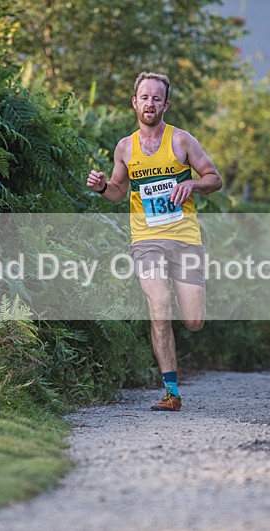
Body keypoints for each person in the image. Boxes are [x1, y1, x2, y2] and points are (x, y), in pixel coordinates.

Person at [87, 71, 223, 412]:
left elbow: (214, 178)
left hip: (185, 238)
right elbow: (119, 193)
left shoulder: (182, 141)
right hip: (145, 239)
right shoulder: (125, 147)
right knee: (159, 304)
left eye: (156, 98)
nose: (150, 103)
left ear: (166, 104)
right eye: (144, 97)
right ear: (135, 102)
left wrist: (192, 185)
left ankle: (181, 295)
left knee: (193, 321)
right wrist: (103, 186)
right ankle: (171, 392)